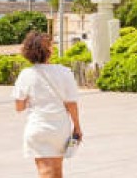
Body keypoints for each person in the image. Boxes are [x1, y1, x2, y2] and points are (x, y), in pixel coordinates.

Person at [13, 31, 82, 178]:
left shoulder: (26, 74)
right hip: (60, 128)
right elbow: (71, 103)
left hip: (38, 127)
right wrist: (77, 127)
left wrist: (30, 101)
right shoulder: (64, 72)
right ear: (49, 51)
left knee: (44, 171)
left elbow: (19, 107)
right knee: (57, 172)